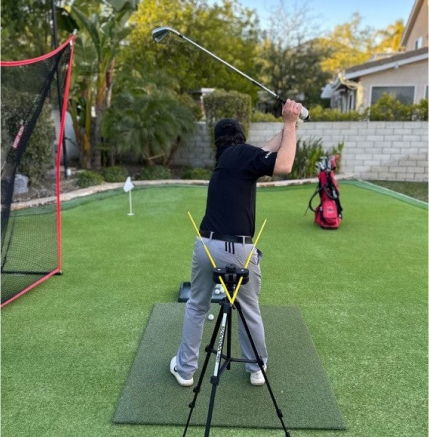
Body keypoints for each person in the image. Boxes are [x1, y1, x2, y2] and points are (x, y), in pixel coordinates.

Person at [170, 99, 302, 386]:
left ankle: (185, 370)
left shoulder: (228, 160)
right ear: (241, 138)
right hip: (238, 250)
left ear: (218, 141)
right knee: (248, 308)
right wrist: (290, 122)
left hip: (207, 246)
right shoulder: (241, 155)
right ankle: (256, 368)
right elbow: (284, 164)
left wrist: (288, 125)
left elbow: (265, 150)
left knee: (197, 306)